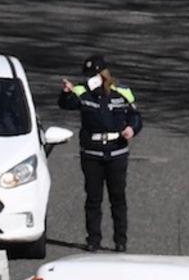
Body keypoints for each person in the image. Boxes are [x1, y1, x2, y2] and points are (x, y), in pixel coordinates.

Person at [59, 54, 142, 252]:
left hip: (116, 152)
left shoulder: (121, 92)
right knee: (93, 198)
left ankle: (120, 240)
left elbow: (136, 116)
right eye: (89, 75)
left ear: (104, 74)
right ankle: (93, 239)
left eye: (95, 74)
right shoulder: (82, 91)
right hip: (92, 153)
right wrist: (66, 93)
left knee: (117, 197)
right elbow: (66, 104)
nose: (92, 78)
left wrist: (132, 128)